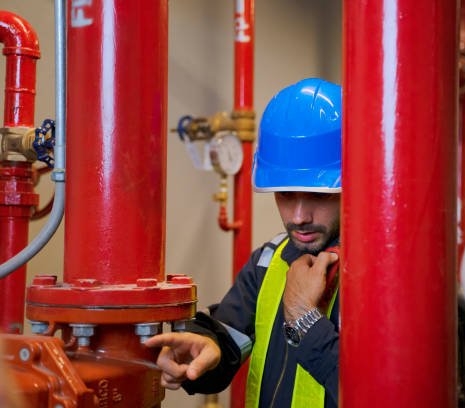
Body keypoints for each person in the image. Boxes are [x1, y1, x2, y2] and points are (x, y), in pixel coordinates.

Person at [146, 78, 342, 407]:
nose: (298, 216)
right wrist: (205, 347)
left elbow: (392, 395)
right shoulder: (268, 261)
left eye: (317, 195)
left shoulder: (384, 277)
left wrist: (305, 321)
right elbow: (228, 334)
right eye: (285, 194)